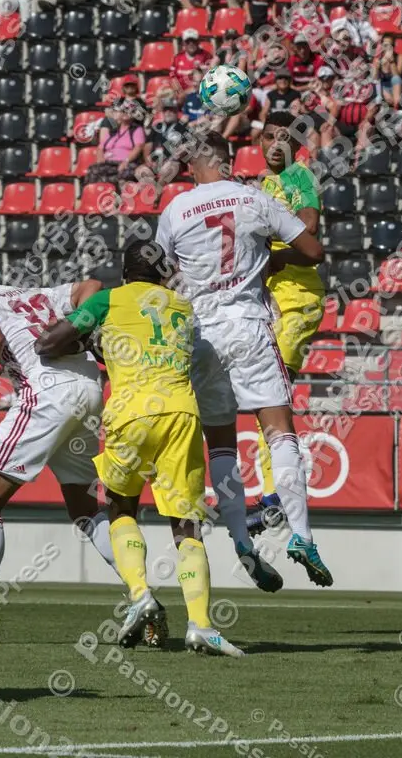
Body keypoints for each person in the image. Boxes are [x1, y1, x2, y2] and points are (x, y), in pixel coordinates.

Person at [36, 241, 244, 657]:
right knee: (187, 524)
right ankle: (201, 625)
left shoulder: (107, 299)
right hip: (182, 414)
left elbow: (49, 342)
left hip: (130, 413)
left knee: (121, 507)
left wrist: (83, 343)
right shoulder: (183, 306)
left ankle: (140, 595)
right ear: (165, 272)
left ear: (124, 273)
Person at [156, 132, 330, 590]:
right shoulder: (253, 198)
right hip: (250, 325)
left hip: (202, 335)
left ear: (195, 164)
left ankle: (241, 541)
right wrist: (272, 262)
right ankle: (302, 536)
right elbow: (313, 252)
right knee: (279, 434)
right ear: (229, 161)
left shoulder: (175, 210)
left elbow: (160, 273)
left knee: (221, 446)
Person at [0, 254, 122, 645]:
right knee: (86, 509)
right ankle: (142, 594)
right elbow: (92, 287)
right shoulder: (34, 294)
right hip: (88, 389)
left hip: (47, 393)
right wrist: (81, 326)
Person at [246, 110, 323, 532]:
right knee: (266, 400)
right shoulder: (265, 183)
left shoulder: (299, 176)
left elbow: (310, 226)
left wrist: (275, 251)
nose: (275, 144)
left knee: (271, 398)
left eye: (283, 138)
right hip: (276, 298)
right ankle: (274, 495)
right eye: (268, 136)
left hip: (297, 298)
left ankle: (277, 497)